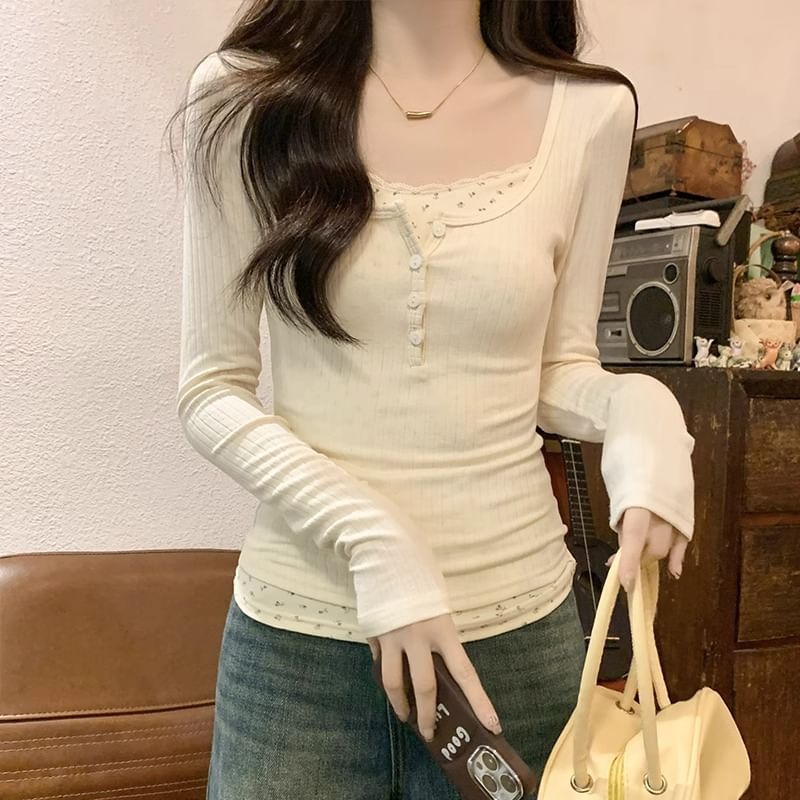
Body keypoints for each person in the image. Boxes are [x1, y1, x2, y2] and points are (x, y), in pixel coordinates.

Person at [171, 1, 695, 797]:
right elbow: (211, 388)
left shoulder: (591, 112)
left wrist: (641, 408)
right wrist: (372, 538)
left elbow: (558, 365)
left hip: (517, 643)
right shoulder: (244, 96)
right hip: (299, 652)